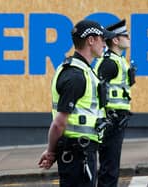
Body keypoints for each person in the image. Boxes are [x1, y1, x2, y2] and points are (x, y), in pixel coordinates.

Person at [38, 20, 115, 187]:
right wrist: (51, 151)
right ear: (91, 40)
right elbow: (59, 123)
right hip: (78, 154)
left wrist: (53, 150)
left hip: (80, 152)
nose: (105, 43)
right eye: (102, 39)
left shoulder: (80, 70)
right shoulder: (76, 76)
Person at [94, 19, 136, 187]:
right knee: (109, 167)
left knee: (111, 165)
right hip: (111, 118)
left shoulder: (118, 60)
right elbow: (97, 91)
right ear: (116, 40)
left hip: (117, 118)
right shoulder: (110, 63)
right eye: (125, 35)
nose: (129, 37)